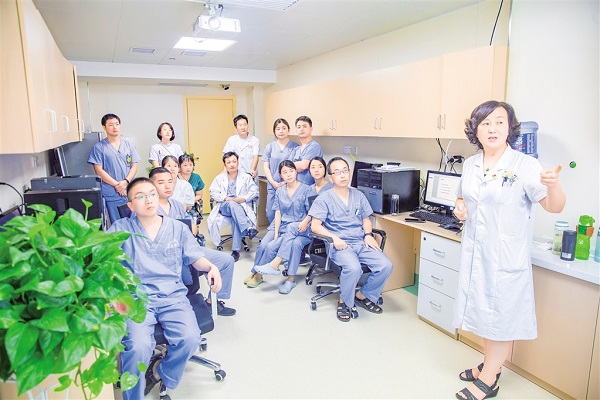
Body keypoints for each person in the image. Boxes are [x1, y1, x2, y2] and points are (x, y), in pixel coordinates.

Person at [453, 101, 565, 400]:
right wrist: (460, 208)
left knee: (500, 319)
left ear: (509, 128)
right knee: (484, 315)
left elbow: (554, 206)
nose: (493, 128)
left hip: (505, 257)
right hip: (476, 253)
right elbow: (463, 198)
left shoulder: (525, 165)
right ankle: (489, 364)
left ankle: (489, 379)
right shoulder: (471, 164)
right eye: (486, 123)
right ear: (476, 129)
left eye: (499, 122)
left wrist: (554, 185)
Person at [107, 177, 223, 399]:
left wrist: (211, 267)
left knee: (190, 339)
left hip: (172, 297)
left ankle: (161, 372)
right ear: (130, 205)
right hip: (136, 299)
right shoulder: (120, 229)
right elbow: (102, 261)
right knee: (138, 347)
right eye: (140, 196)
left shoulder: (177, 228)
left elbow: (195, 258)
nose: (148, 200)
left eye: (152, 194)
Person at [309, 157, 393, 322]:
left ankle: (363, 295)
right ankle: (344, 302)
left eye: (345, 171)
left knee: (385, 265)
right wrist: (334, 238)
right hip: (339, 244)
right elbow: (315, 226)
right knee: (354, 268)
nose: (342, 175)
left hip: (360, 241)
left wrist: (368, 235)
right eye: (337, 172)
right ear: (331, 177)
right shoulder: (324, 199)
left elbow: (366, 220)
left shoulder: (358, 195)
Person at [149, 167, 235, 316]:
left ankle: (212, 302)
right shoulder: (148, 208)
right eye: (161, 182)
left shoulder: (176, 204)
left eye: (170, 181)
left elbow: (191, 228)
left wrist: (189, 230)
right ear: (151, 186)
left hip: (188, 248)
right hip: (166, 255)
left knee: (226, 261)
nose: (168, 186)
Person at [246, 156, 332, 290]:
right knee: (264, 245)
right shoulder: (281, 190)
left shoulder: (308, 189)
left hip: (299, 227)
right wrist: (276, 233)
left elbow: (312, 212)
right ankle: (256, 272)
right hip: (282, 225)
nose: (289, 174)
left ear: (296, 171)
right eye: (285, 172)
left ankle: (271, 274)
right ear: (280, 175)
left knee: (280, 245)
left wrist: (305, 222)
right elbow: (278, 212)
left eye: (291, 171)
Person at [88, 113, 140, 224]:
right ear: (104, 127)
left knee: (135, 222)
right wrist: (117, 185)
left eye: (117, 124)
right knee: (118, 224)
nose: (115, 127)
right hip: (112, 192)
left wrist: (126, 182)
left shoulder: (129, 145)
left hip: (129, 190)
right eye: (111, 125)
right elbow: (99, 170)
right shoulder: (99, 147)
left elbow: (134, 166)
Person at [207, 152, 259, 262]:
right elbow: (213, 192)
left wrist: (243, 198)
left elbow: (254, 191)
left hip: (240, 206)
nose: (232, 164)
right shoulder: (219, 178)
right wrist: (225, 198)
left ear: (238, 162)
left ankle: (235, 251)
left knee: (236, 218)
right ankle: (247, 228)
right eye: (229, 162)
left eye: (234, 161)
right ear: (225, 164)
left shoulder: (246, 177)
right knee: (232, 204)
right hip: (224, 206)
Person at [262, 118, 299, 222]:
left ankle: (283, 232)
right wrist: (272, 182)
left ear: (288, 130)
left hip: (288, 185)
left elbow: (295, 167)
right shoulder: (270, 147)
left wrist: (285, 182)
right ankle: (274, 231)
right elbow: (266, 166)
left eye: (283, 128)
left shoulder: (295, 147)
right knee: (270, 212)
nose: (281, 131)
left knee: (286, 213)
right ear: (274, 131)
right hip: (273, 184)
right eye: (278, 129)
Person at [289, 116, 323, 185]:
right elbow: (286, 166)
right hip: (294, 187)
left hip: (308, 187)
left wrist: (291, 167)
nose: (301, 129)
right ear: (296, 130)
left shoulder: (314, 146)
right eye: (299, 127)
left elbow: (303, 166)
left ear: (311, 129)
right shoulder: (296, 149)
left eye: (304, 126)